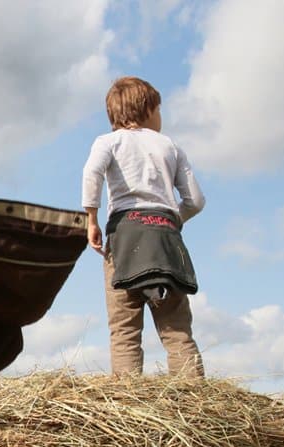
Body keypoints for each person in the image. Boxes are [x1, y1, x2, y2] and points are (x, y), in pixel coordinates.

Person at [81, 76, 206, 377]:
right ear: (147, 109)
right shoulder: (170, 146)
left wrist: (91, 220)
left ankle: (127, 401)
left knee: (124, 328)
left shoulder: (108, 142)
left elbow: (91, 174)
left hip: (124, 235)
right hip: (165, 240)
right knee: (177, 329)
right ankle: (194, 400)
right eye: (159, 110)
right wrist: (173, 219)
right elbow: (196, 200)